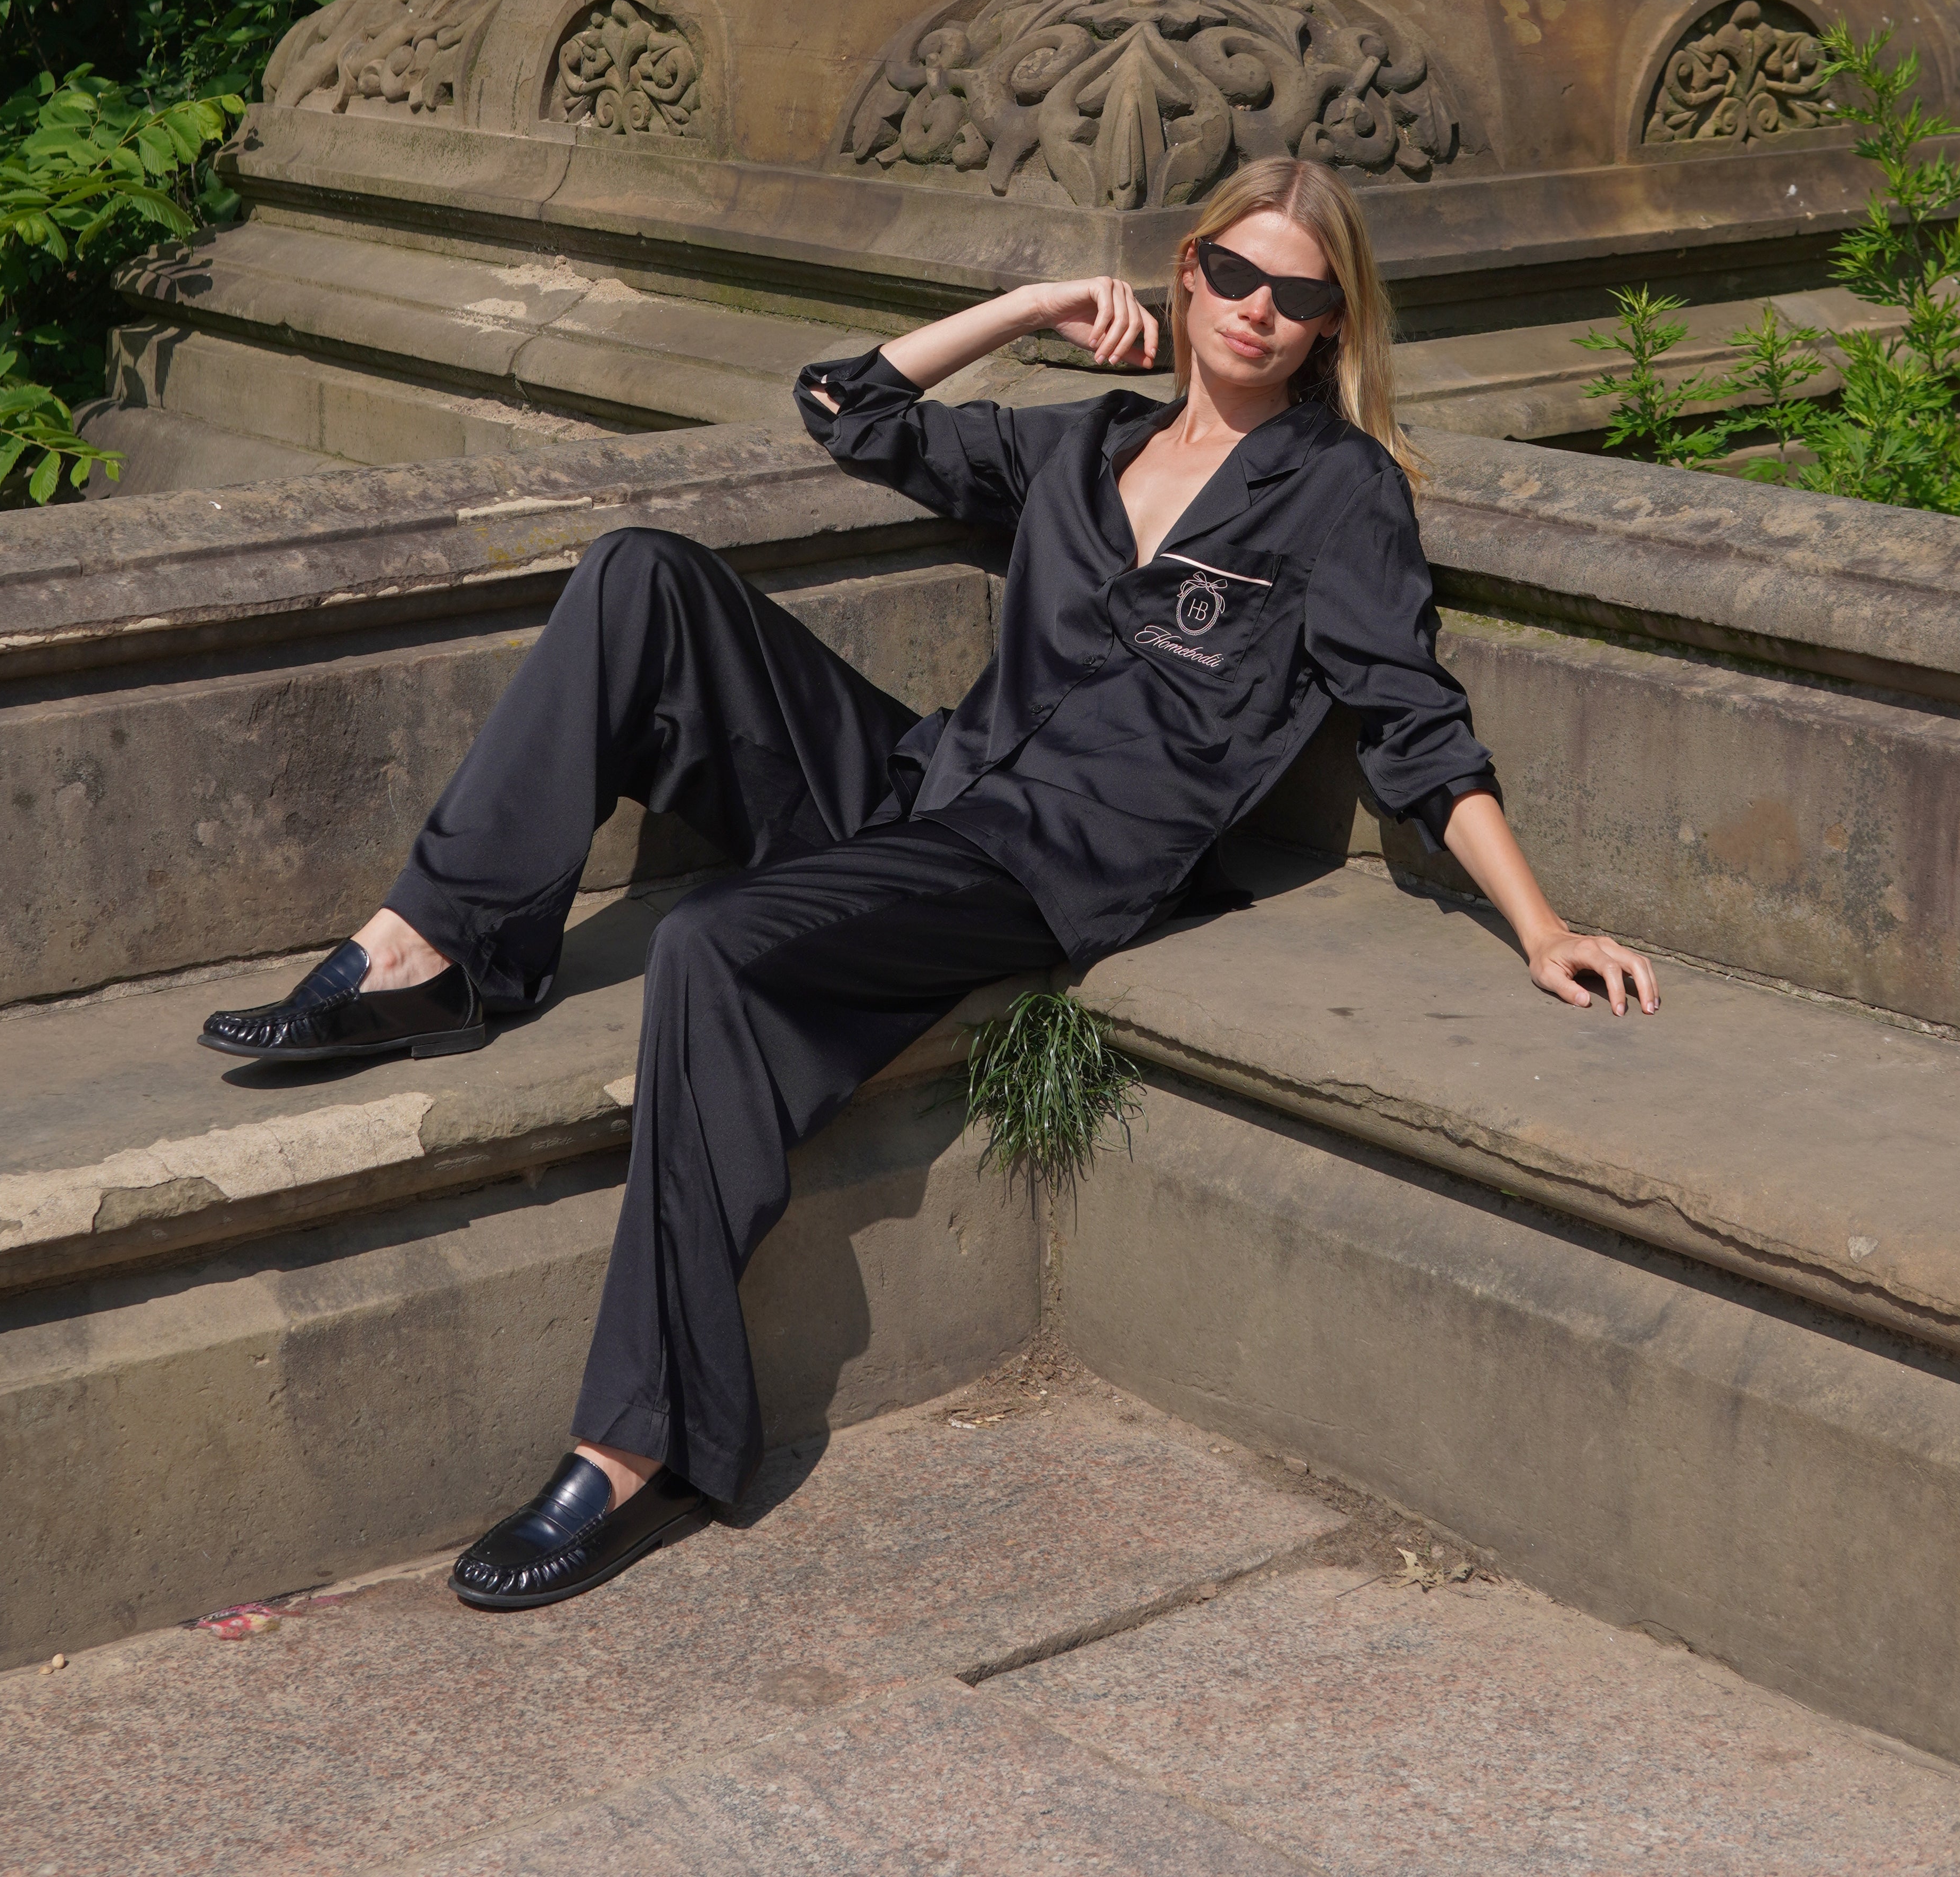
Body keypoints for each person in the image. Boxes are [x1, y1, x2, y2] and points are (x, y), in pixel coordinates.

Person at [199, 156, 1658, 1611]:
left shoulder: (1339, 494)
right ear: (1185, 271)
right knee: (641, 573)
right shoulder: (1085, 442)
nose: (1255, 310)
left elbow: (1413, 723)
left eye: (1298, 293)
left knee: (713, 941)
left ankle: (643, 1442)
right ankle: (435, 951)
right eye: (1230, 272)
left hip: (1046, 862)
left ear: (1336, 321)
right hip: (920, 786)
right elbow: (848, 406)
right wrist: (1028, 306)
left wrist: (1540, 926)